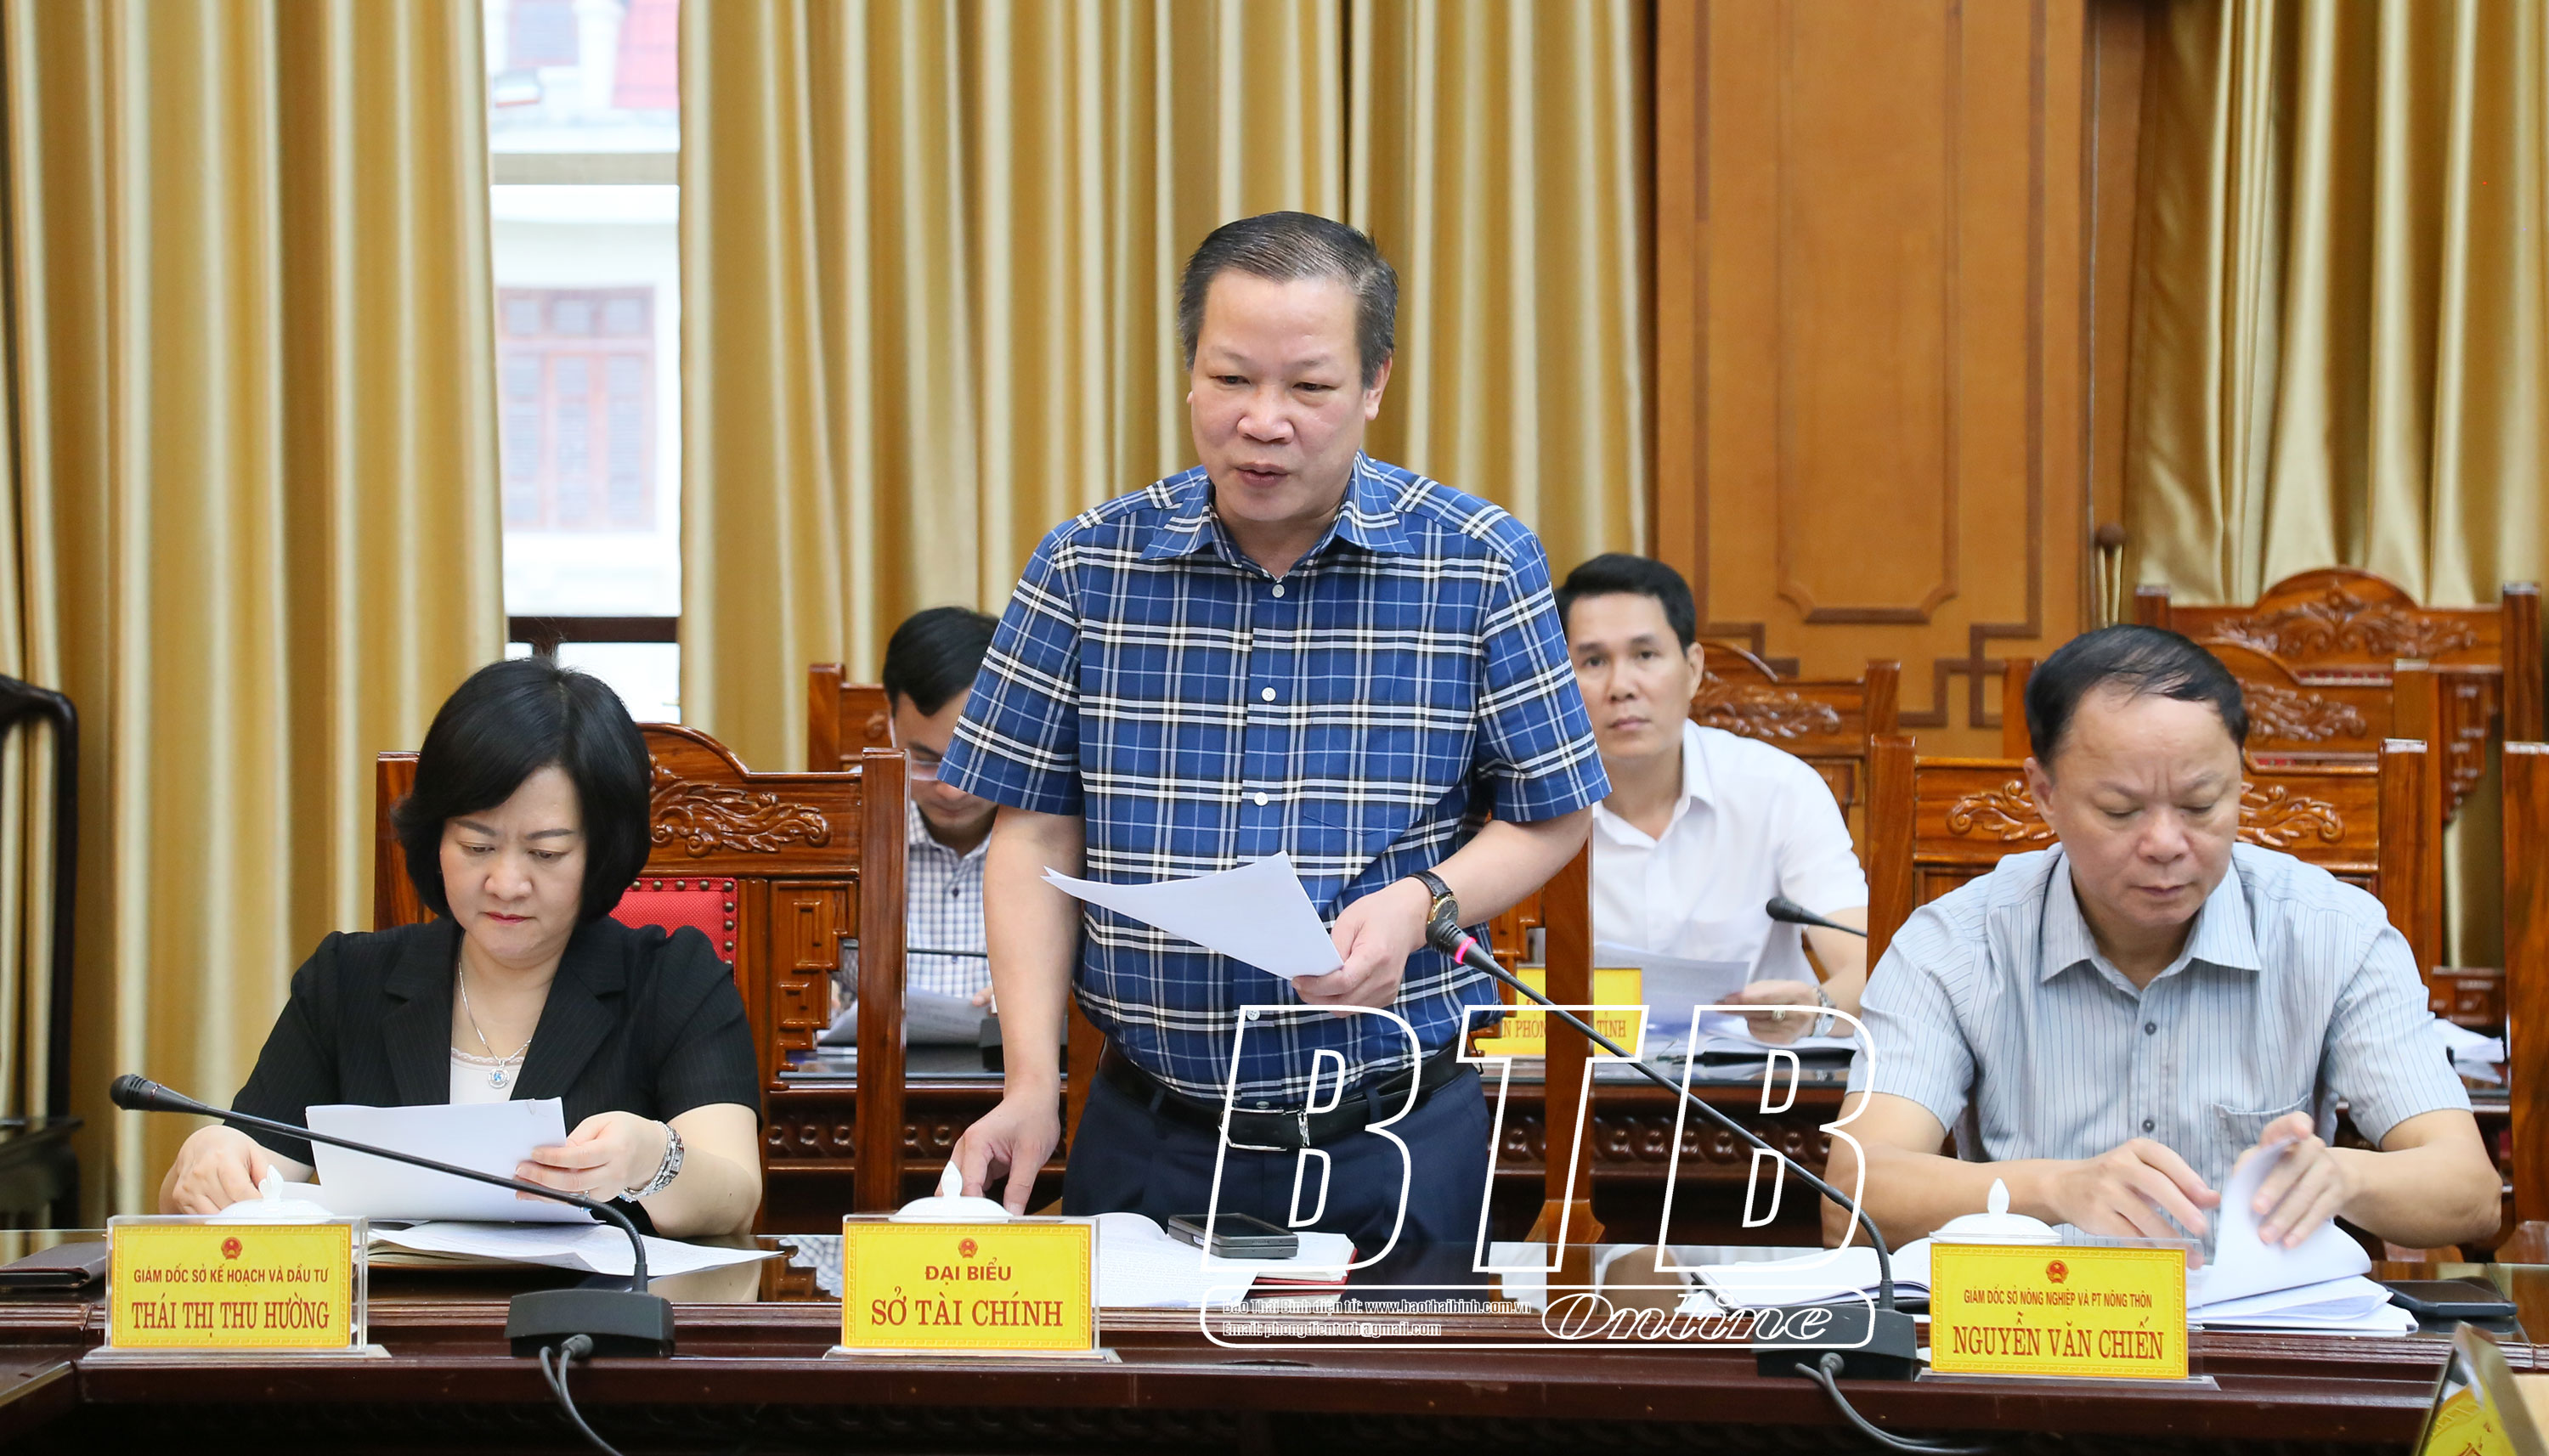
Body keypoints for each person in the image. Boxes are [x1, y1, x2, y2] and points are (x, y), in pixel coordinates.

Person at [941, 212, 1609, 1252]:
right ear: (1189, 374)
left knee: (1405, 1370)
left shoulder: (1479, 561)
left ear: (1374, 382)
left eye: (1309, 386)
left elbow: (1553, 814)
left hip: (1394, 1131)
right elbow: (1032, 831)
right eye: (1231, 378)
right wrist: (1032, 1081)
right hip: (1149, 1128)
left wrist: (1421, 904)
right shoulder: (1086, 566)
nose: (1263, 421)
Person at [1829, 626, 2498, 1251]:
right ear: (2044, 793)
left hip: (2255, 1327)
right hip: (2040, 1320)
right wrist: (2053, 1189)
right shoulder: (1956, 944)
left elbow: (2470, 1193)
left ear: (2242, 779)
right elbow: (1850, 1197)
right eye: (2120, 811)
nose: (2165, 844)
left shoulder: (2333, 932)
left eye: (2201, 805)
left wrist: (2345, 1177)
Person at [157, 658, 763, 1237]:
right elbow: (252, 1178)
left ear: (601, 852)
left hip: (594, 1309)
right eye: (477, 846)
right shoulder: (347, 982)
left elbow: (734, 1201)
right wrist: (211, 1162)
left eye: (546, 853)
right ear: (436, 840)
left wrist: (652, 1158)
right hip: (393, 1309)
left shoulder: (674, 980)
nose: (506, 883)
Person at [1556, 553, 1868, 1042]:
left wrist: (1817, 1008)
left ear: (1693, 669)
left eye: (1645, 655)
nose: (1621, 687)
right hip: (1586, 1075)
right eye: (1593, 662)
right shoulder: (1531, 810)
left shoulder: (1780, 789)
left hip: (1762, 1074)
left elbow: (1867, 964)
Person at [884, 605, 1000, 1007]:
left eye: (975, 760)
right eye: (926, 761)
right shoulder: (834, 830)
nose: (951, 791)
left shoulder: (1069, 835)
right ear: (889, 726)